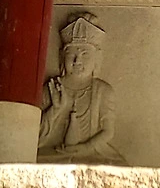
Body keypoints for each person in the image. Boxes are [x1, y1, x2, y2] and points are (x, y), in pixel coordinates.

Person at [38, 15, 124, 163]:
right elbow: (36, 136)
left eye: (85, 55)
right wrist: (55, 109)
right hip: (55, 153)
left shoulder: (102, 91)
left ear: (97, 59)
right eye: (71, 54)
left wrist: (86, 148)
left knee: (115, 166)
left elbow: (108, 131)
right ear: (61, 56)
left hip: (91, 152)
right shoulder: (52, 88)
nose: (77, 61)